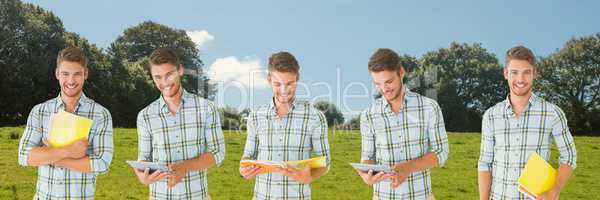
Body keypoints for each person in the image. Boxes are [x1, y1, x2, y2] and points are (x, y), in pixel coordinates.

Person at [477, 45, 577, 200]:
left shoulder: (552, 113)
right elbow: (485, 163)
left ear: (534, 74)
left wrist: (554, 191)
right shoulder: (491, 115)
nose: (520, 79)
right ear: (506, 73)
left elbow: (569, 155)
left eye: (526, 72)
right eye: (514, 72)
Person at [18, 47, 114, 200]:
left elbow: (102, 164)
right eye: (65, 74)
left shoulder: (101, 114)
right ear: (57, 74)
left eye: (77, 74)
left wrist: (52, 157)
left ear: (85, 74)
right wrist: (68, 151)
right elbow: (24, 156)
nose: (70, 81)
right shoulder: (40, 111)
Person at [133, 47, 225, 200]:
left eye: (169, 74)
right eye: (158, 77)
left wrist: (185, 167)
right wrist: (142, 177)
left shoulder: (206, 108)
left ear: (180, 70)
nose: (164, 82)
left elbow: (218, 153)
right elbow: (143, 158)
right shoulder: (145, 116)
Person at [357, 48, 449, 200]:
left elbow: (441, 152)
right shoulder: (368, 115)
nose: (384, 89)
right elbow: (367, 156)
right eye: (378, 84)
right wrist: (367, 176)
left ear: (401, 72)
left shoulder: (428, 107)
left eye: (388, 81)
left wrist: (407, 168)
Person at [239, 51, 331, 200]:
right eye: (277, 84)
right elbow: (248, 156)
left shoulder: (315, 117)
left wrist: (310, 177)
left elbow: (325, 161)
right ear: (269, 80)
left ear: (297, 78)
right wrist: (244, 170)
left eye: (289, 83)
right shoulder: (255, 116)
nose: (283, 90)